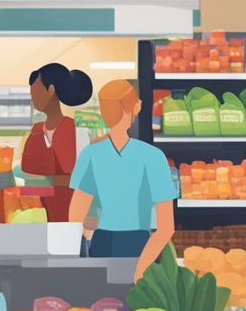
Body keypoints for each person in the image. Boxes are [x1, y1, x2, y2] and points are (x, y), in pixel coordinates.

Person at [68, 79, 178, 280]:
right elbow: (166, 227)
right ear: (135, 107)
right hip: (141, 245)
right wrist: (141, 269)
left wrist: (86, 245)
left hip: (100, 244)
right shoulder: (153, 157)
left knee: (101, 307)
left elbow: (75, 218)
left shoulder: (90, 155)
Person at [20, 63, 93, 222]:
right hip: (44, 200)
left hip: (66, 201)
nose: (33, 99)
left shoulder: (69, 128)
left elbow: (66, 166)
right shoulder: (38, 129)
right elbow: (28, 165)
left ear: (51, 90)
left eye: (36, 92)